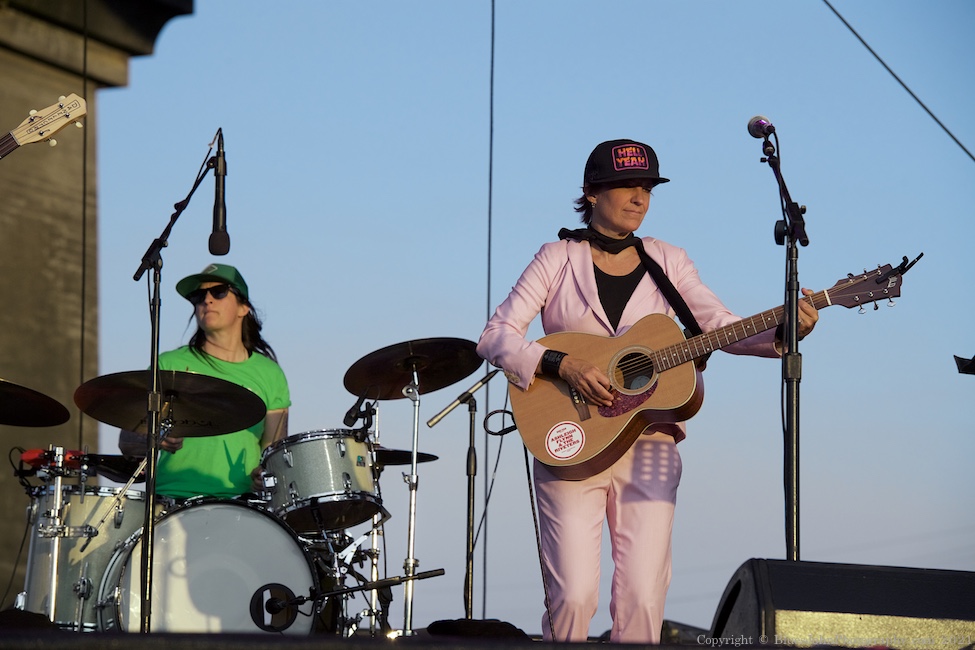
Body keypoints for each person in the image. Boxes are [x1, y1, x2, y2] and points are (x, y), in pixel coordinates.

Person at [476, 139, 819, 643]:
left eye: (647, 188)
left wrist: (787, 331)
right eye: (626, 186)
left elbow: (719, 325)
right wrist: (561, 363)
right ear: (591, 192)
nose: (639, 197)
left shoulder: (668, 260)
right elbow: (496, 336)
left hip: (650, 441)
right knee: (573, 597)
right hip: (571, 439)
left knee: (642, 597)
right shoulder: (557, 257)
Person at [119, 263, 290, 499]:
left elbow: (275, 455)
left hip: (242, 506)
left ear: (243, 308)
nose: (207, 300)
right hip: (173, 500)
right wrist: (155, 435)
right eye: (199, 296)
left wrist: (264, 474)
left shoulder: (271, 373)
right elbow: (127, 442)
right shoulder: (168, 365)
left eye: (218, 291)